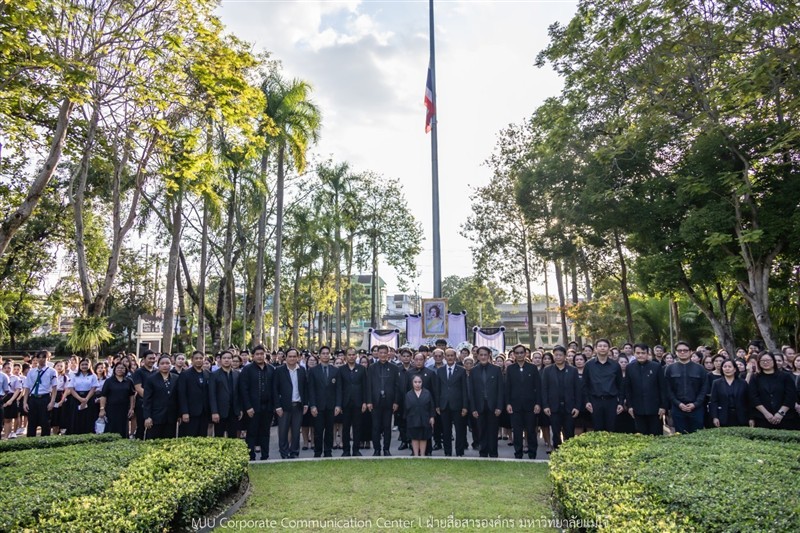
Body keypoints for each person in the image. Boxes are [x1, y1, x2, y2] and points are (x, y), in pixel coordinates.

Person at [505, 343, 541, 459]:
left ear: (525, 354)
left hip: (530, 405)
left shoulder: (532, 368)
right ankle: (518, 454)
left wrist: (538, 403)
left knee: (531, 431)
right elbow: (507, 388)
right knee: (517, 431)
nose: (520, 355)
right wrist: (508, 403)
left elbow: (538, 387)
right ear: (514, 355)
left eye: (522, 352)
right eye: (517, 353)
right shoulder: (510, 369)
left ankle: (532, 454)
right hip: (515, 406)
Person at [541, 346, 581, 450]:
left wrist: (577, 407)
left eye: (560, 355)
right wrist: (545, 406)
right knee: (555, 432)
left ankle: (569, 452)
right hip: (554, 407)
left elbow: (577, 390)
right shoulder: (547, 370)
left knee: (569, 432)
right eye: (556, 355)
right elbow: (544, 389)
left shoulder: (573, 370)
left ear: (565, 357)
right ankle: (557, 452)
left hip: (569, 407)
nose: (558, 357)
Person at [664, 341, 708, 434]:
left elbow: (704, 389)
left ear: (691, 351)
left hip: (696, 409)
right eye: (679, 350)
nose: (682, 352)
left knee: (697, 436)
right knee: (680, 437)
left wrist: (695, 404)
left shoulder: (700, 368)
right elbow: (668, 389)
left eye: (685, 350)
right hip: (677, 408)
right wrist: (678, 404)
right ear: (676, 352)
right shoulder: (670, 368)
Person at [240, 345, 275, 460]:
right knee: (251, 433)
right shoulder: (247, 369)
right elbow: (243, 389)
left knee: (265, 432)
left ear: (265, 355)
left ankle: (265, 456)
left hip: (268, 407)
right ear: (253, 356)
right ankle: (251, 456)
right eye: (257, 354)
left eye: (262, 354)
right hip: (252, 408)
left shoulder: (271, 369)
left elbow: (275, 389)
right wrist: (248, 407)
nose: (260, 356)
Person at [582, 338, 625, 432]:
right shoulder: (589, 365)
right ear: (595, 349)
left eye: (605, 346)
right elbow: (585, 385)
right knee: (598, 430)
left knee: (612, 428)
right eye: (600, 346)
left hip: (611, 401)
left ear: (609, 349)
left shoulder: (615, 365)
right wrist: (587, 401)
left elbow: (620, 385)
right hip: (595, 401)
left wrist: (621, 402)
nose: (602, 348)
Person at [366, 345, 402, 456]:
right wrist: (369, 401)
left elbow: (397, 386)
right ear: (377, 354)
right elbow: (369, 385)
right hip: (375, 401)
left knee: (387, 427)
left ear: (388, 354)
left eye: (384, 353)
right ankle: (377, 449)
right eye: (380, 352)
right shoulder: (372, 367)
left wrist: (396, 402)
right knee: (375, 427)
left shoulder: (394, 368)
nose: (382, 355)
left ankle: (386, 449)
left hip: (389, 401)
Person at [748, 352, 798, 430]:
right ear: (758, 363)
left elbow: (790, 396)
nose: (765, 362)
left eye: (768, 360)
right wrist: (766, 414)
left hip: (785, 418)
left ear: (773, 361)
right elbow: (753, 397)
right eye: (762, 361)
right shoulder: (755, 378)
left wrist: (780, 413)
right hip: (762, 418)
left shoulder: (785, 376)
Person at [470, 346, 504, 458]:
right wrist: (473, 408)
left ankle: (493, 453)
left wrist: (499, 406)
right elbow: (471, 391)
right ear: (477, 356)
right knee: (481, 430)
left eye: (485, 354)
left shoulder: (496, 369)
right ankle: (483, 453)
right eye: (481, 355)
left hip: (493, 406)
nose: (483, 357)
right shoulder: (473, 371)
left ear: (489, 355)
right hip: (479, 406)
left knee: (493, 431)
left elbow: (500, 389)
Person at [273, 348, 307, 459]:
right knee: (283, 431)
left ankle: (294, 453)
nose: (292, 358)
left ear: (298, 358)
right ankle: (284, 453)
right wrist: (277, 406)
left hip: (298, 405)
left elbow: (305, 388)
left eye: (294, 356)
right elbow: (275, 390)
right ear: (286, 358)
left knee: (296, 431)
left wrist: (306, 404)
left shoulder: (302, 370)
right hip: (284, 406)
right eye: (290, 356)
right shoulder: (279, 370)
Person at [625, 343, 666, 436]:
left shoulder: (656, 366)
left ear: (648, 354)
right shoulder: (630, 367)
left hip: (655, 408)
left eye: (643, 353)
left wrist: (663, 406)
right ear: (634, 354)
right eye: (638, 353)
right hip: (637, 408)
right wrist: (630, 406)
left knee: (656, 435)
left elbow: (662, 388)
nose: (640, 355)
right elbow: (628, 388)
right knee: (641, 436)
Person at [308, 346, 342, 458]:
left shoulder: (335, 370)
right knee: (318, 431)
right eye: (323, 353)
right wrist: (312, 405)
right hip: (318, 406)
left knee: (329, 431)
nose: (326, 355)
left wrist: (338, 405)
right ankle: (317, 452)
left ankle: (328, 452)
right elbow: (311, 390)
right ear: (320, 355)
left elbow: (338, 389)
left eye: (327, 353)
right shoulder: (313, 371)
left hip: (331, 406)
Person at [435, 348, 468, 457]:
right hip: (444, 405)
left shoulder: (461, 370)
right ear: (445, 357)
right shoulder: (440, 371)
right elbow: (438, 389)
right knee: (446, 430)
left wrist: (465, 406)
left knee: (460, 430)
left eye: (452, 356)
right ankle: (447, 452)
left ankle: (459, 452)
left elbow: (464, 389)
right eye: (448, 356)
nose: (449, 358)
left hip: (458, 405)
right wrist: (438, 405)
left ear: (455, 357)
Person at [339, 347, 367, 456]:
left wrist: (365, 401)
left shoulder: (362, 369)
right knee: (345, 428)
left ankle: (356, 450)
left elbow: (365, 386)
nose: (351, 356)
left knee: (357, 427)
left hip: (358, 402)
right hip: (345, 403)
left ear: (356, 356)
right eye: (349, 355)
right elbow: (339, 388)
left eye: (353, 354)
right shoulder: (341, 369)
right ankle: (346, 450)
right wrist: (339, 404)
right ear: (346, 356)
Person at [143, 355, 179, 439]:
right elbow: (147, 399)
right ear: (158, 365)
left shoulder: (176, 378)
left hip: (171, 417)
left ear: (171, 365)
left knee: (169, 442)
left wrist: (179, 414)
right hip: (155, 416)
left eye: (167, 363)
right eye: (162, 363)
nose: (165, 365)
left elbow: (178, 397)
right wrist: (147, 416)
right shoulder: (151, 379)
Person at [23, 350, 58, 437]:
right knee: (32, 422)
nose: (42, 359)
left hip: (45, 398)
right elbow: (27, 387)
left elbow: (54, 387)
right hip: (33, 398)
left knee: (45, 422)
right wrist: (25, 402)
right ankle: (30, 442)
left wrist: (52, 401)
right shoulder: (32, 371)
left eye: (44, 357)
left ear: (48, 358)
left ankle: (44, 443)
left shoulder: (52, 371)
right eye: (40, 357)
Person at [177, 351, 211, 437]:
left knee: (202, 438)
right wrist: (184, 412)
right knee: (189, 437)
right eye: (196, 358)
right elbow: (182, 395)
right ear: (192, 360)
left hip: (204, 413)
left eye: (201, 358)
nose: (199, 360)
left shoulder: (208, 374)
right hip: (190, 413)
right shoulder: (185, 374)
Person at [709, 359, 751, 428]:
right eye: (725, 367)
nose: (727, 369)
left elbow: (748, 401)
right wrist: (715, 417)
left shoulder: (743, 383)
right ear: (722, 369)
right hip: (723, 417)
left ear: (734, 369)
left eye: (729, 366)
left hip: (741, 417)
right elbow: (714, 401)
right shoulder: (716, 383)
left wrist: (751, 418)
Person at [209, 350, 241, 438]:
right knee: (219, 437)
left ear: (232, 360)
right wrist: (214, 412)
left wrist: (240, 409)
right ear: (220, 360)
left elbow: (239, 393)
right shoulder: (214, 375)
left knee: (233, 437)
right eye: (224, 358)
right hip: (220, 411)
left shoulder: (237, 374)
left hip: (234, 411)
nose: (226, 360)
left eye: (229, 358)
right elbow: (212, 395)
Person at [99, 362, 136, 438]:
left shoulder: (129, 381)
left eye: (122, 368)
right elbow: (103, 396)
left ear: (125, 370)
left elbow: (132, 396)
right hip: (111, 409)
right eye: (118, 368)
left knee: (123, 428)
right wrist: (102, 409)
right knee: (111, 428)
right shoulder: (109, 381)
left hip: (124, 409)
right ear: (114, 369)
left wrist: (132, 408)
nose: (120, 370)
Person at [65, 358, 98, 435]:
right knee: (75, 417)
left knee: (88, 417)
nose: (84, 366)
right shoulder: (74, 375)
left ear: (89, 365)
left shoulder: (93, 376)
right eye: (82, 364)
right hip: (76, 398)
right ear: (79, 366)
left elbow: (93, 388)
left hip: (89, 397)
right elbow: (71, 388)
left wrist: (86, 399)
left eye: (86, 364)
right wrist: (80, 398)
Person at [404, 375, 435, 457]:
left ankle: (422, 455)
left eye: (419, 382)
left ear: (422, 383)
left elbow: (431, 406)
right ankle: (416, 455)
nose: (417, 384)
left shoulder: (427, 393)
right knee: (414, 437)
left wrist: (432, 417)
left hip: (425, 419)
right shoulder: (408, 394)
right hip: (412, 419)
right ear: (412, 383)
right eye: (415, 382)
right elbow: (406, 409)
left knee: (423, 437)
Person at [131, 351, 157, 439]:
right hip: (142, 403)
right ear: (144, 359)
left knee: (154, 426)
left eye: (153, 358)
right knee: (141, 427)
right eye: (150, 358)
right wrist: (149, 398)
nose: (152, 360)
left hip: (155, 404)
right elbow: (138, 388)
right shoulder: (139, 372)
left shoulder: (157, 371)